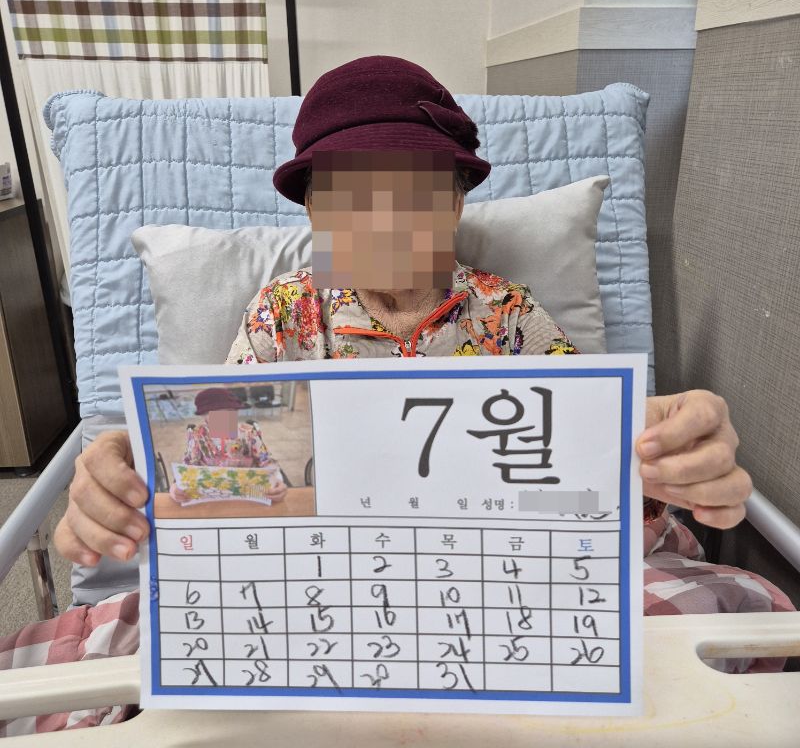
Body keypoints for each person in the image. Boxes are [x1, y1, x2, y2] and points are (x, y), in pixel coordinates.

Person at [3, 54, 789, 738]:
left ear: (455, 203)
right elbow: (223, 458)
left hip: (496, 582)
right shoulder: (285, 313)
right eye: (349, 196)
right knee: (101, 661)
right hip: (318, 583)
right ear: (315, 211)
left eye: (413, 193)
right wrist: (132, 459)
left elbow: (589, 460)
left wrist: (653, 460)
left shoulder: (509, 314)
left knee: (709, 623)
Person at [168, 387, 288, 505]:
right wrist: (175, 487)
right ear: (204, 416)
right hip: (210, 496)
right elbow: (187, 468)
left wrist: (278, 482)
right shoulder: (197, 437)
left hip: (249, 494)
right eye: (217, 415)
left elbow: (266, 461)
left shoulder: (249, 433)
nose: (224, 419)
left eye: (229, 413)